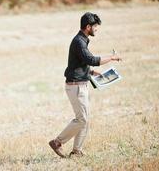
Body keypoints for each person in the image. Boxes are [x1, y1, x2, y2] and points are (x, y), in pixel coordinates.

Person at [48, 12, 122, 158]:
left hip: (80, 84)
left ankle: (77, 151)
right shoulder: (79, 42)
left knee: (85, 119)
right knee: (81, 119)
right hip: (76, 87)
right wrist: (112, 57)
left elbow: (80, 63)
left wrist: (91, 72)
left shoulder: (83, 41)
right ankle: (57, 142)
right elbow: (91, 59)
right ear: (88, 27)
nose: (97, 29)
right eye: (95, 27)